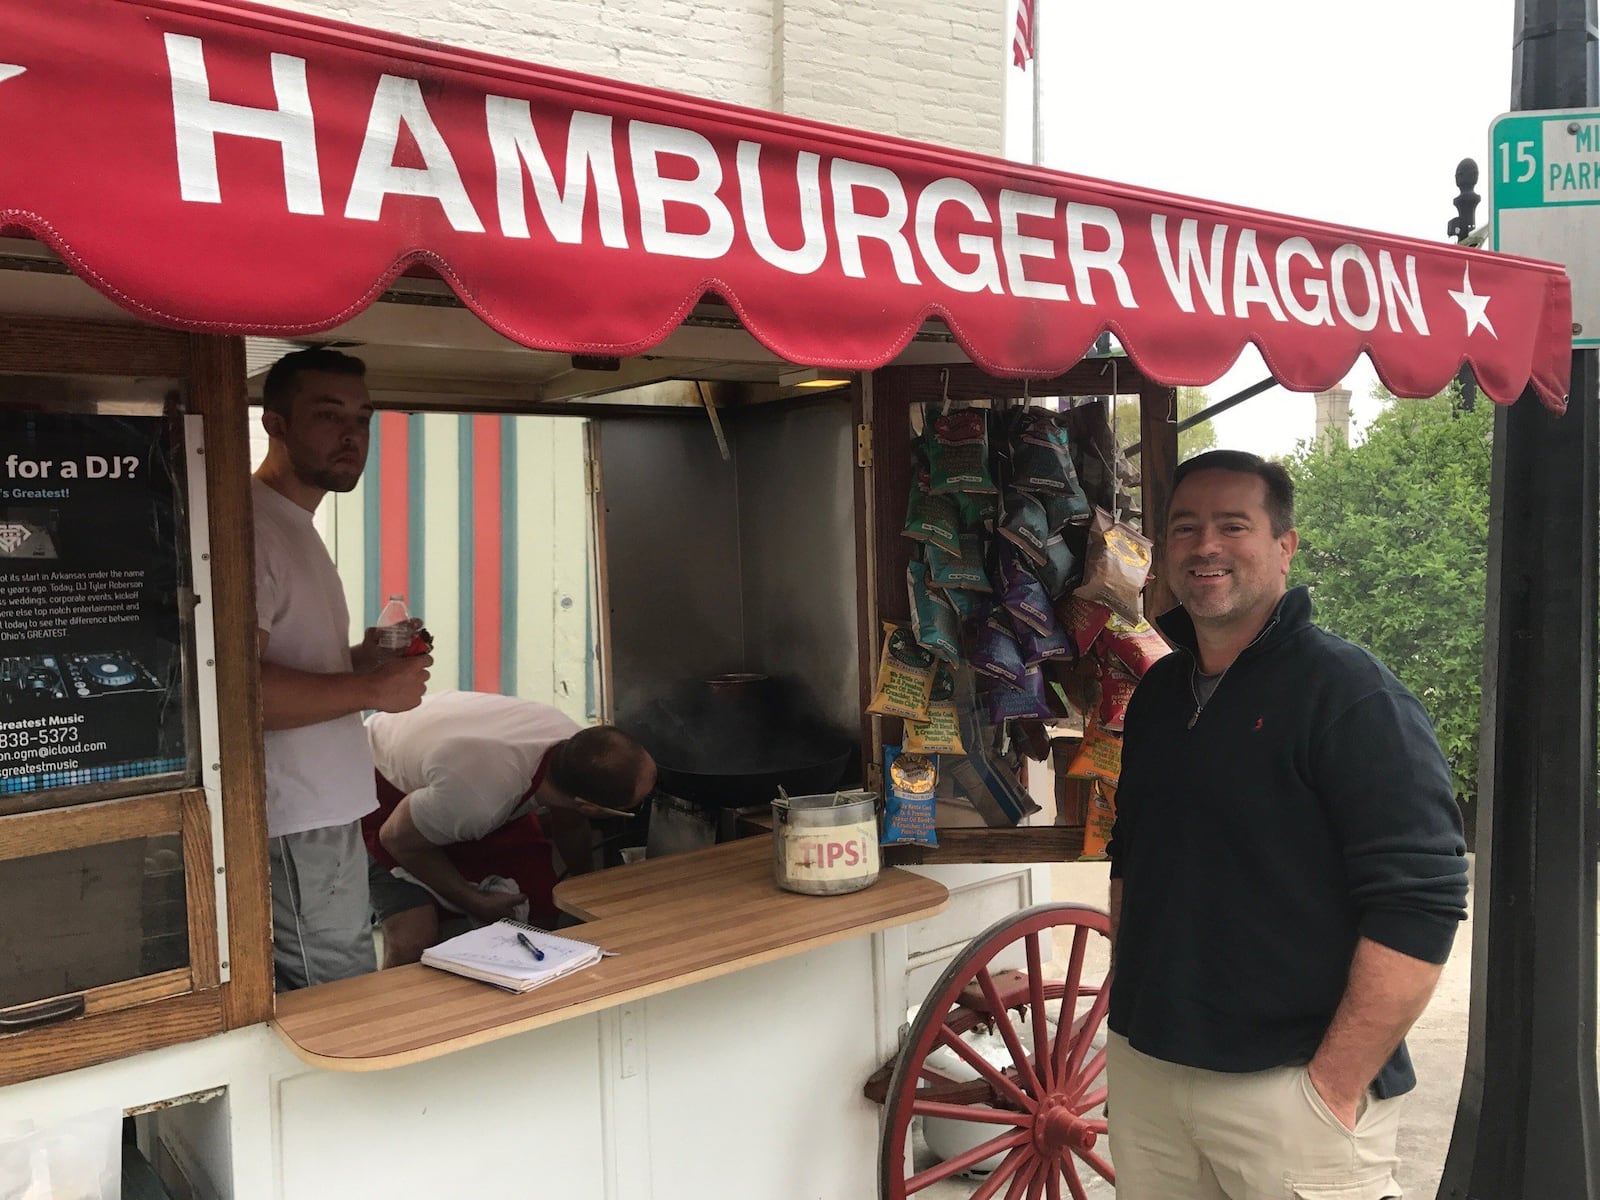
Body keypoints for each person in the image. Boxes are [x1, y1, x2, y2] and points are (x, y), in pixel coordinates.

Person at [1105, 449, 1468, 1200]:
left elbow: (1422, 900)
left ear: (1284, 545)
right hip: (1151, 1077)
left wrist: (1333, 1086)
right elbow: (1130, 859)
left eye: (1232, 525)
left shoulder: (1351, 695)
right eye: (1185, 527)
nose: (1204, 546)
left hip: (1289, 1094)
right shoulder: (1159, 695)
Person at [254, 348, 432, 991]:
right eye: (329, 415)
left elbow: (291, 668)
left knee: (339, 978)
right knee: (336, 995)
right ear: (275, 422)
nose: (352, 435)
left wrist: (367, 658)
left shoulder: (294, 523)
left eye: (362, 418)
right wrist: (372, 687)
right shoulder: (253, 526)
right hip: (295, 816)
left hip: (320, 813)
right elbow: (235, 693)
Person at [362, 691, 657, 967]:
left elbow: (570, 821)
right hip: (377, 786)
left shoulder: (577, 749)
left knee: (540, 901)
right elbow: (395, 839)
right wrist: (474, 900)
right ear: (590, 805)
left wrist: (588, 889)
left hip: (450, 782)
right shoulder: (481, 800)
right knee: (414, 939)